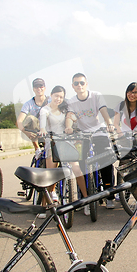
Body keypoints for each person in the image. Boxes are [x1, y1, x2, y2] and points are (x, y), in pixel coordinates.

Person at [64, 73, 116, 214]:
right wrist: (68, 127)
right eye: (76, 83)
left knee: (106, 161)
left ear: (86, 84)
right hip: (82, 134)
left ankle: (109, 194)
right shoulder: (72, 101)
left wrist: (109, 123)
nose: (79, 85)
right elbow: (70, 115)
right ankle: (84, 195)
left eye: (82, 82)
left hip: (99, 132)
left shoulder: (96, 95)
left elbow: (103, 110)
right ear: (73, 86)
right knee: (81, 163)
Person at [37, 85, 83, 219]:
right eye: (56, 96)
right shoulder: (45, 110)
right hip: (51, 141)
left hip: (66, 141)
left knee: (76, 166)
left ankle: (82, 201)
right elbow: (42, 122)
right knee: (51, 173)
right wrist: (42, 129)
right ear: (51, 95)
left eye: (61, 97)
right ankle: (43, 205)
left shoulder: (65, 109)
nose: (58, 99)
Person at [16, 78, 51, 159]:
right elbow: (19, 120)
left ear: (44, 88)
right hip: (36, 129)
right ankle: (37, 149)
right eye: (36, 87)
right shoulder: (29, 104)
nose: (39, 89)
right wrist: (26, 132)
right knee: (30, 118)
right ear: (33, 89)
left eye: (41, 86)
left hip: (49, 127)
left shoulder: (51, 100)